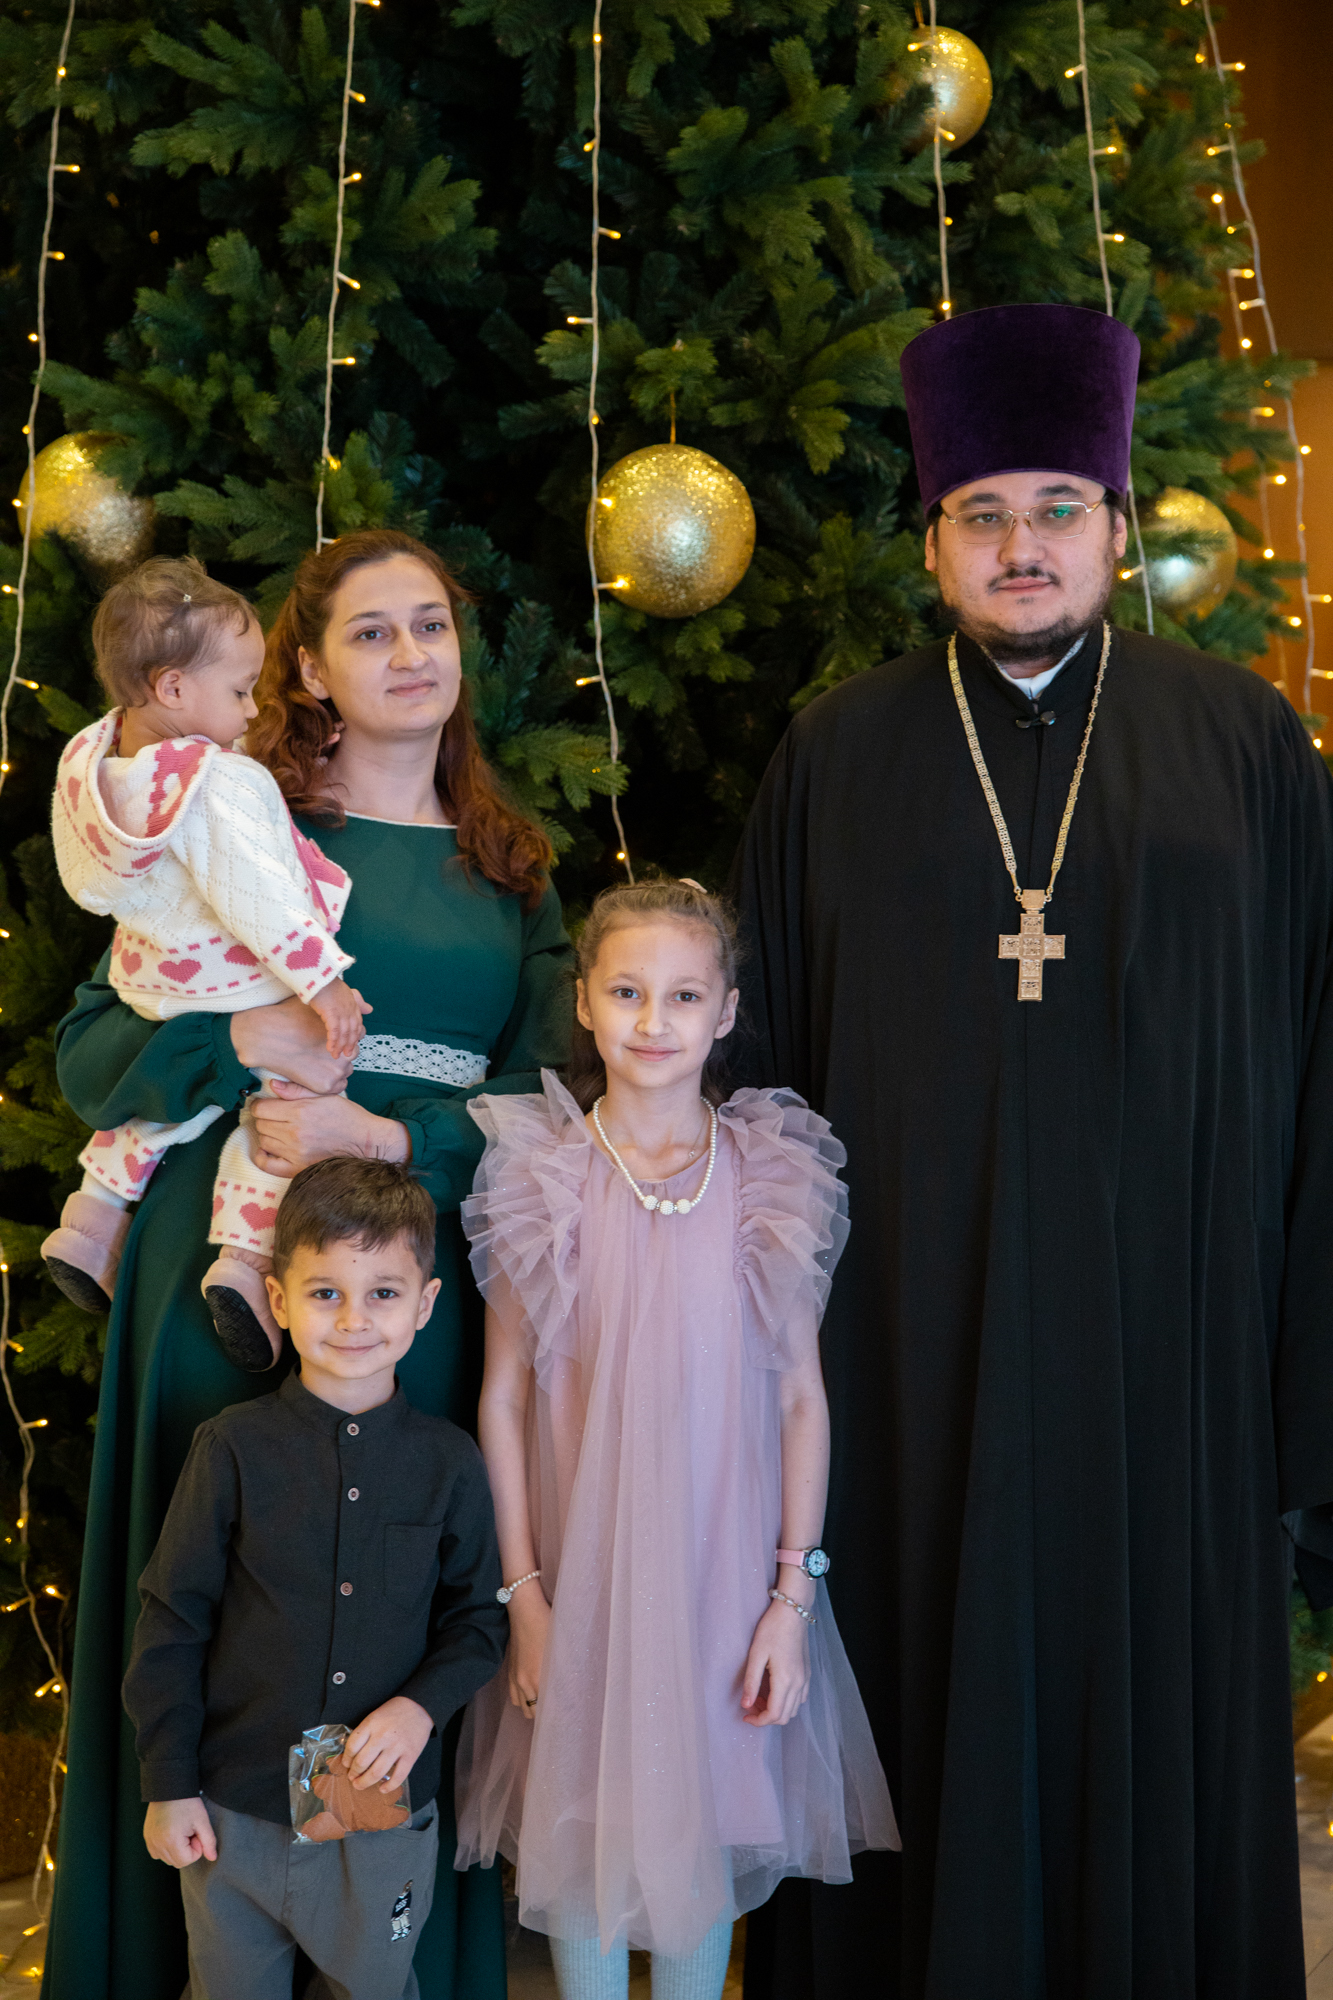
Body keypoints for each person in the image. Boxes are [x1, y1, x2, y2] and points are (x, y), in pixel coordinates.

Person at [731, 300, 1333, 1999]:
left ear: (1115, 530)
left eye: (1056, 509)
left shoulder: (1242, 739)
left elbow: (1323, 1052)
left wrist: (1300, 1365)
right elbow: (755, 1082)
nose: (1021, 547)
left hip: (1177, 1359)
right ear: (930, 541)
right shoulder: (835, 753)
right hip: (903, 1362)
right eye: (980, 514)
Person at [41, 528, 573, 2000]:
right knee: (215, 1603)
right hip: (230, 1268)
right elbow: (91, 1049)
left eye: (432, 625)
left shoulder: (514, 867)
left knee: (400, 1606)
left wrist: (396, 1138)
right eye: (372, 631)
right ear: (312, 667)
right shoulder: (229, 810)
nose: (411, 653)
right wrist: (241, 1037)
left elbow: (552, 1098)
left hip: (418, 1286)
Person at [455, 879, 898, 2000]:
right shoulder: (539, 1175)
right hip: (579, 1578)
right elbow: (502, 1398)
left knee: (699, 1832)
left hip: (723, 1584)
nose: (654, 1020)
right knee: (585, 1829)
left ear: (725, 1011)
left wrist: (790, 1602)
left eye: (684, 995)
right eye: (627, 991)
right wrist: (525, 1597)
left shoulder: (767, 1176)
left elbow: (800, 1400)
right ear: (585, 1002)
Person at [123, 1156, 507, 2000]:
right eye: (325, 1292)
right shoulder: (231, 1448)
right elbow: (172, 1622)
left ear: (425, 1305)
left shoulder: (448, 1463)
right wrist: (169, 1787)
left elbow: (479, 1620)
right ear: (278, 1298)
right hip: (233, 1812)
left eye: (383, 1292)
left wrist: (418, 1708)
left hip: (380, 1818)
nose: (354, 1319)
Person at [45, 555, 369, 1366]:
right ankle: (244, 1261)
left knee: (164, 1107)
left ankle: (92, 1221)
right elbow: (260, 894)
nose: (253, 707)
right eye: (240, 690)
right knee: (287, 1102)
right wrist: (323, 982)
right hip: (232, 977)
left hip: (153, 978)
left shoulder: (99, 767)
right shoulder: (219, 783)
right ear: (172, 688)